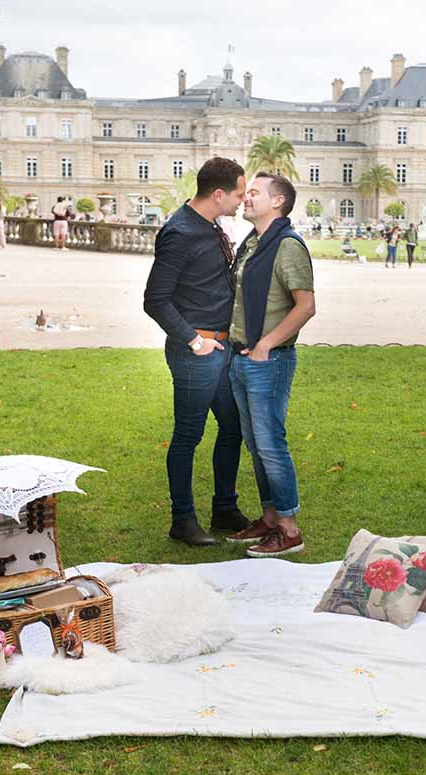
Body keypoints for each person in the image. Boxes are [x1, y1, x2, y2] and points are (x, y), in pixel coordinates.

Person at [143, 157, 252, 546]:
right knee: (188, 434)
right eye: (239, 193)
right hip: (197, 352)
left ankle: (224, 509)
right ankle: (182, 520)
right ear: (219, 194)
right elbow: (155, 300)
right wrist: (195, 341)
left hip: (221, 347)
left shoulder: (209, 226)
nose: (242, 200)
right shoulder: (181, 232)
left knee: (233, 426)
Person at [224, 172, 316, 557]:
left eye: (255, 193)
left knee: (271, 445)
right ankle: (269, 519)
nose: (246, 197)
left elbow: (306, 305)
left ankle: (290, 529)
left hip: (269, 360)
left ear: (278, 202)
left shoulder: (287, 246)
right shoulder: (255, 243)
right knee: (256, 444)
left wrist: (265, 345)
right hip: (242, 357)